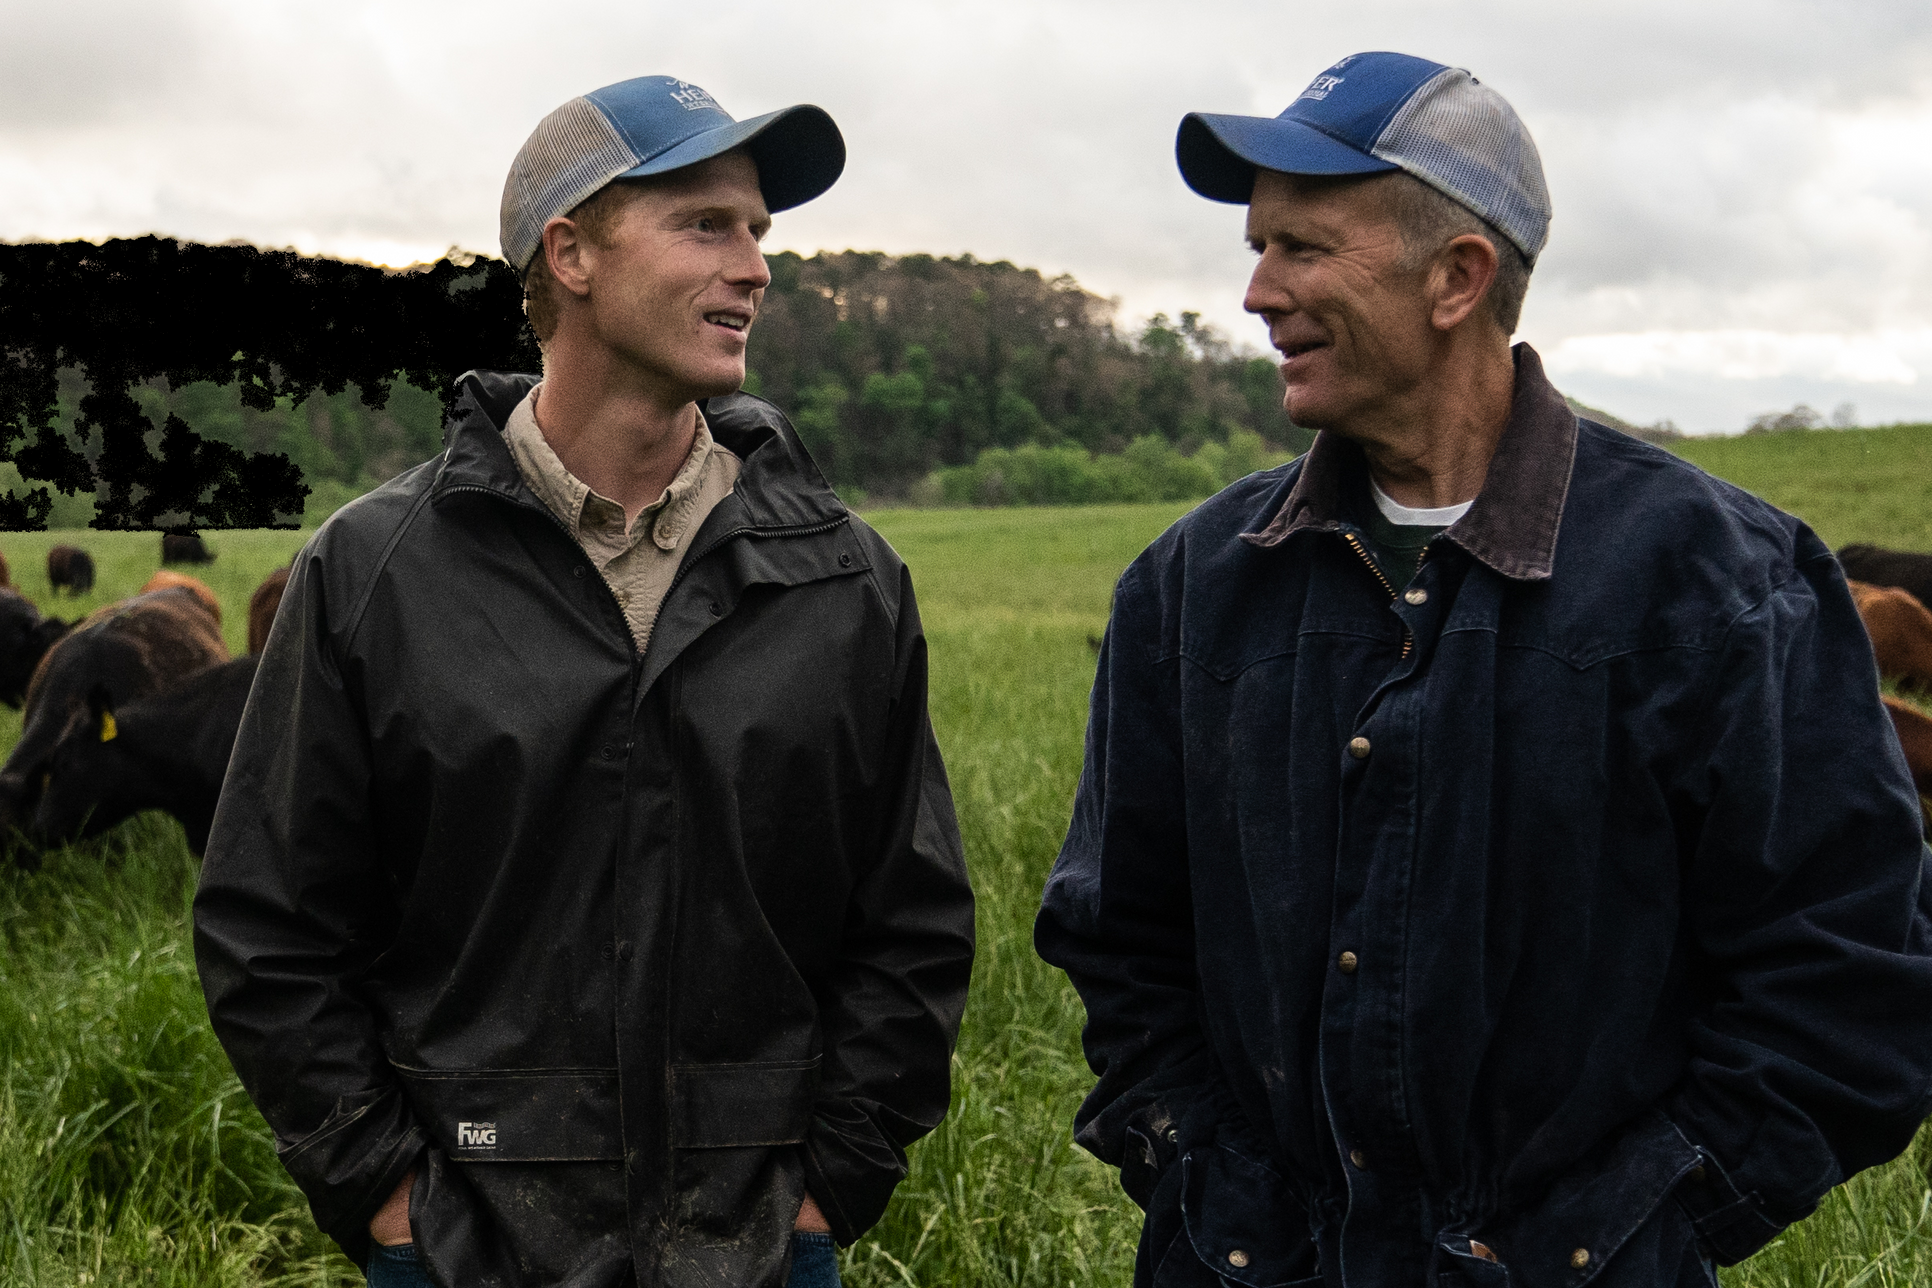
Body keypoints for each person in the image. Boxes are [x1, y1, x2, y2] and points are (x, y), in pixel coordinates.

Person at [1035, 50, 1932, 1288]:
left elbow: (1851, 986)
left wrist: (1610, 1242)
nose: (1255, 291)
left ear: (1456, 278)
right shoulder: (1192, 589)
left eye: (1303, 247)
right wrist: (1214, 1188)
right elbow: (1120, 942)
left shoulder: (1722, 586)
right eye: (1258, 246)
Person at [195, 75, 975, 1288]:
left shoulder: (845, 578)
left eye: (759, 231)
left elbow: (912, 922)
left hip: (764, 1242)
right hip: (461, 1243)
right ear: (571, 253)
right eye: (706, 224)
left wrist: (831, 1189)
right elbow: (268, 923)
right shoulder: (374, 571)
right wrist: (386, 1194)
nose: (755, 266)